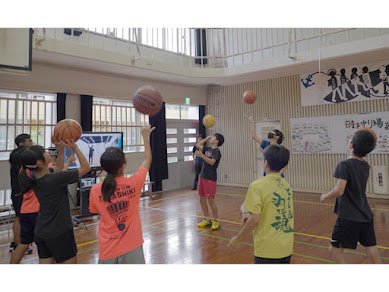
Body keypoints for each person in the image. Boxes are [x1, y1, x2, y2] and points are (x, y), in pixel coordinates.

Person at [89, 125, 155, 264]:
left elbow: (97, 212)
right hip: (132, 247)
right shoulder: (134, 183)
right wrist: (145, 137)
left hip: (108, 249)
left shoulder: (95, 190)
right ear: (123, 165)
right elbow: (147, 160)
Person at [18, 140, 90, 264]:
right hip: (59, 232)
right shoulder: (54, 179)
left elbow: (58, 167)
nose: (47, 153)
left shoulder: (35, 177)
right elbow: (86, 168)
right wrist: (75, 147)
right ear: (40, 162)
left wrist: (61, 148)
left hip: (42, 231)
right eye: (44, 152)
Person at [320, 129, 381, 264]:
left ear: (351, 145)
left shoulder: (344, 165)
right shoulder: (365, 165)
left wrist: (325, 196)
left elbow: (339, 189)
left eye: (351, 139)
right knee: (371, 248)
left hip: (348, 216)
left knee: (335, 249)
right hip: (365, 214)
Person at [228, 144, 293, 264]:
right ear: (284, 166)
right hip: (286, 247)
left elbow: (255, 219)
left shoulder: (257, 186)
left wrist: (238, 239)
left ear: (266, 163)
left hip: (267, 249)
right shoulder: (286, 185)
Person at [9, 134, 33, 253]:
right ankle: (20, 245)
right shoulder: (24, 155)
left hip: (16, 190)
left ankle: (16, 241)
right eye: (29, 141)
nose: (31, 142)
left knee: (18, 217)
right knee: (20, 218)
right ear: (21, 144)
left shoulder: (14, 154)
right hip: (22, 191)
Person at [195, 133, 224, 231]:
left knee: (211, 200)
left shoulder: (216, 152)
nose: (211, 138)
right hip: (203, 176)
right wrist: (206, 138)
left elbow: (212, 162)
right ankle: (206, 219)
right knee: (202, 199)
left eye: (213, 137)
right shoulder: (208, 149)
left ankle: (216, 220)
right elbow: (198, 145)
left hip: (210, 178)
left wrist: (201, 156)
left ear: (217, 141)